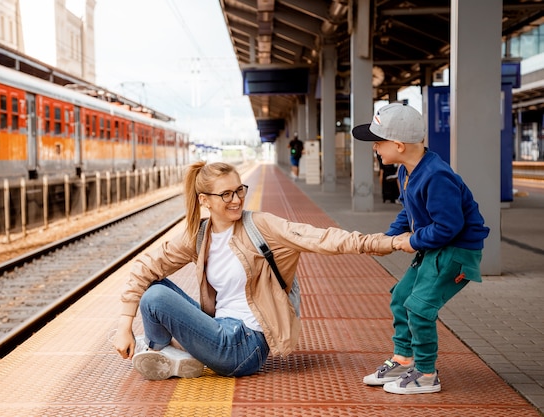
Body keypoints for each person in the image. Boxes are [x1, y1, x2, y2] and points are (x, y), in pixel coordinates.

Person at [113, 161, 406, 380]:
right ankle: (166, 352)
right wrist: (124, 326)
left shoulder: (261, 226)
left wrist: (388, 242)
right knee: (155, 286)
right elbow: (145, 266)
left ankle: (162, 352)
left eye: (239, 190)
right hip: (220, 328)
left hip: (244, 345)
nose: (237, 200)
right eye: (226, 194)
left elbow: (323, 238)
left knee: (155, 300)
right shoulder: (199, 236)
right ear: (205, 200)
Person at [352, 102, 490, 394]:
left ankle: (426, 375)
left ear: (398, 145)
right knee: (402, 296)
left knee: (420, 308)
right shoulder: (406, 171)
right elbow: (409, 212)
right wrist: (389, 239)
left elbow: (448, 227)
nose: (375, 148)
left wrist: (410, 241)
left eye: (378, 142)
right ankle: (403, 359)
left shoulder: (436, 176)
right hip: (436, 246)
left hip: (456, 251)